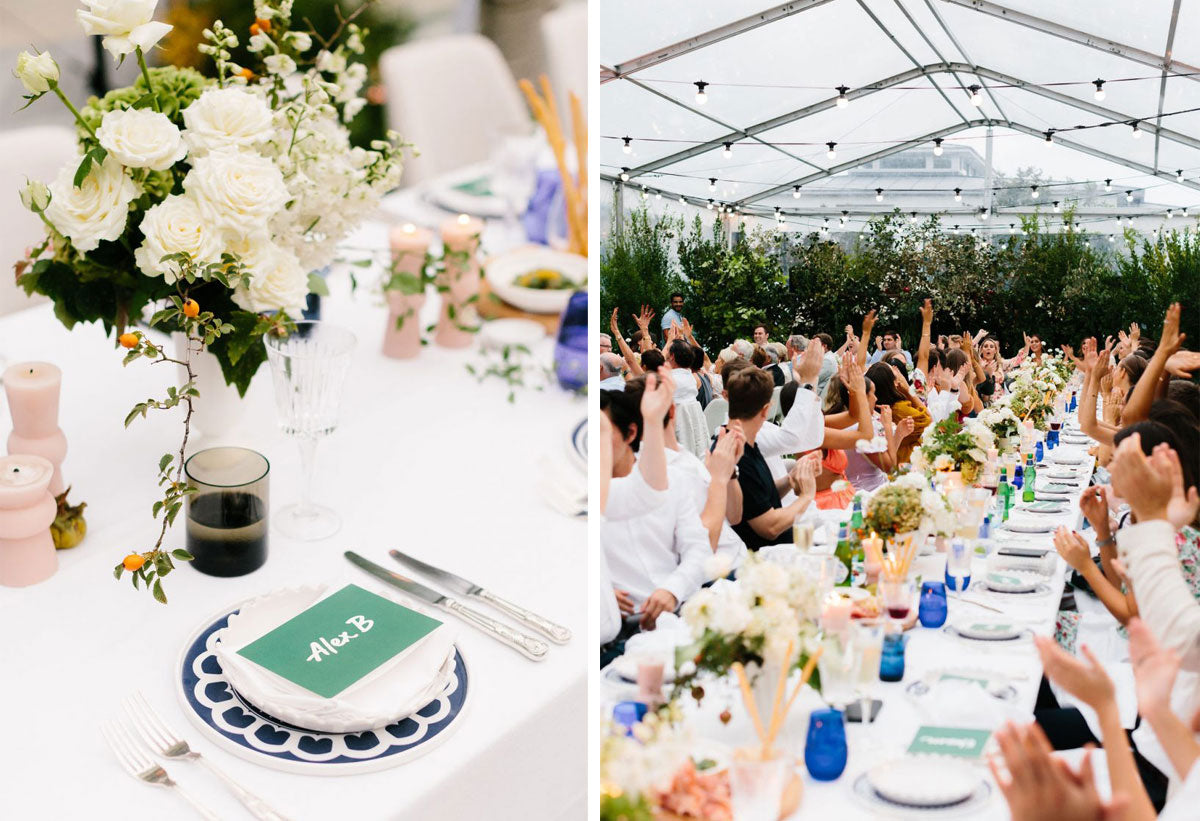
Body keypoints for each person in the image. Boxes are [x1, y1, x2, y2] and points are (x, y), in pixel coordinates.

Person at [600, 373, 713, 635]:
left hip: (685, 611)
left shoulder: (673, 476)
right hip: (620, 630)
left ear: (630, 433)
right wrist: (600, 591)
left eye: (603, 433)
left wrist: (672, 590)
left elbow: (699, 549)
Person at [722, 364, 823, 550]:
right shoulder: (735, 451)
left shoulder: (748, 441)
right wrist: (806, 496)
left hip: (782, 542)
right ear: (766, 410)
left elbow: (760, 498)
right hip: (770, 555)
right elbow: (769, 527)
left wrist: (791, 478)